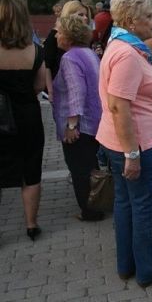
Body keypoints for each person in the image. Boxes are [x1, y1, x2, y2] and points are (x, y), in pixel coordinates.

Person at [95, 0, 152, 287]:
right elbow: (118, 106)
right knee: (142, 207)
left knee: (126, 203)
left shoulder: (121, 44)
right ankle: (149, 269)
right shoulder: (127, 53)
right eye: (148, 16)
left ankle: (127, 264)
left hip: (120, 141)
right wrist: (132, 154)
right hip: (133, 143)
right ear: (130, 20)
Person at [0, 0, 46, 240]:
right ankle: (31, 224)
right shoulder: (34, 51)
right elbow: (39, 86)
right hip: (26, 115)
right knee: (31, 170)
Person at [52, 15, 104, 221]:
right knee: (91, 165)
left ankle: (90, 211)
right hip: (95, 120)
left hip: (81, 125)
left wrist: (71, 124)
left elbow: (76, 92)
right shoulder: (89, 53)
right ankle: (98, 203)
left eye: (59, 31)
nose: (56, 35)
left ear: (68, 36)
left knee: (80, 169)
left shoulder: (70, 58)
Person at [45, 0, 92, 102]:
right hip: (61, 89)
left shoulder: (86, 37)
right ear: (69, 15)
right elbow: (47, 65)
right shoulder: (55, 36)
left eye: (86, 15)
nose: (85, 18)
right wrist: (50, 92)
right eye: (81, 15)